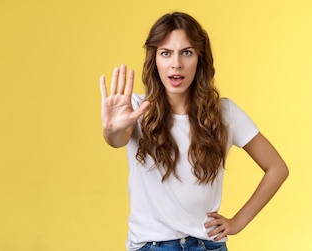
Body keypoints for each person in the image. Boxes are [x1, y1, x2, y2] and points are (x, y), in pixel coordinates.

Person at [99, 12, 288, 251]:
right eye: (166, 53)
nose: (176, 63)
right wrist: (111, 129)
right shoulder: (136, 108)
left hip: (207, 246)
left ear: (199, 58)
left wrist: (238, 222)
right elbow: (117, 139)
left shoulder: (224, 113)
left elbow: (277, 168)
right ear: (154, 60)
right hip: (152, 246)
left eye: (186, 52)